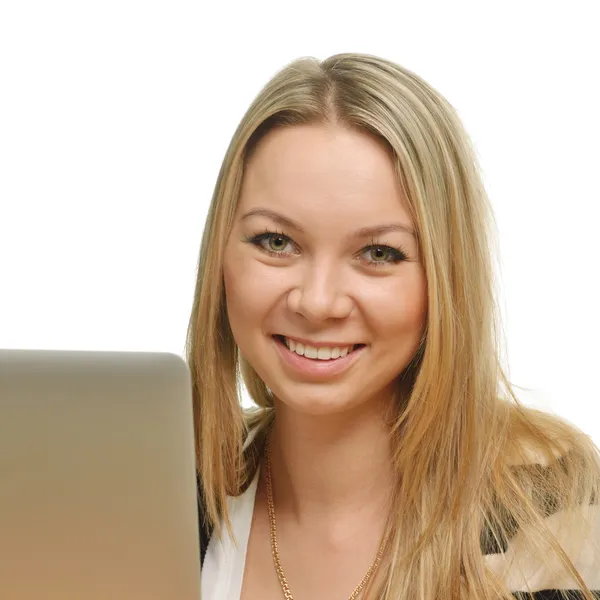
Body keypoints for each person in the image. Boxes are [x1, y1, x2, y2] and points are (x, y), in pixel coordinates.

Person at [186, 53, 600, 600]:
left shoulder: (550, 505)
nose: (318, 301)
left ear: (444, 282)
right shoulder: (165, 487)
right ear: (221, 256)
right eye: (276, 242)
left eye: (378, 252)